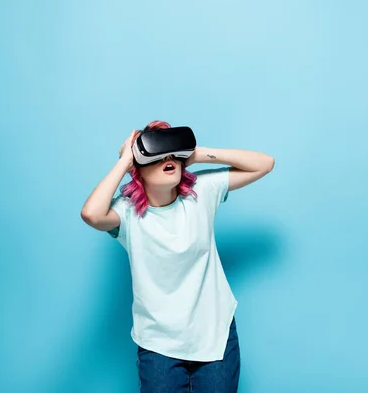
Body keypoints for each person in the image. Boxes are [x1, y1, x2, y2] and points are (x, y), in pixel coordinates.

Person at [80, 120, 275, 392]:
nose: (168, 159)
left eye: (173, 154)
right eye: (157, 154)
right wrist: (125, 161)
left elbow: (264, 163)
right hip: (159, 343)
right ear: (139, 169)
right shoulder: (126, 214)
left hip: (214, 334)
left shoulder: (202, 192)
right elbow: (91, 214)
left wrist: (199, 153)